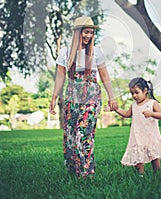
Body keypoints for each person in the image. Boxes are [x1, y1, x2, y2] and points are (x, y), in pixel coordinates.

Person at [49, 16, 118, 178]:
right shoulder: (65, 52)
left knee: (84, 133)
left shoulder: (96, 52)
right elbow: (60, 77)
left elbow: (105, 76)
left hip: (91, 96)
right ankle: (74, 171)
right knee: (71, 136)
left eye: (91, 33)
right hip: (72, 96)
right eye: (86, 32)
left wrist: (112, 97)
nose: (88, 36)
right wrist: (54, 98)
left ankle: (87, 172)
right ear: (78, 32)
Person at [105, 77, 161, 175]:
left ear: (145, 91)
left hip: (150, 135)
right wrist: (116, 109)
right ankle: (141, 175)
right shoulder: (134, 105)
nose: (134, 95)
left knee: (154, 156)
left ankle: (157, 173)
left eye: (136, 92)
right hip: (137, 135)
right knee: (137, 157)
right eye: (132, 93)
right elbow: (127, 114)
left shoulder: (152, 103)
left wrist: (152, 113)